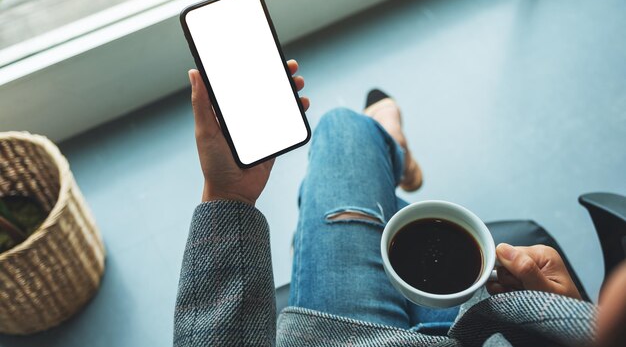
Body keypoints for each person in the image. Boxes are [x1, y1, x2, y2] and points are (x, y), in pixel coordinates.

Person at [174, 60, 620, 346]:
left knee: (341, 131)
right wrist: (561, 320)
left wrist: (226, 194)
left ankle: (389, 142)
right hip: (478, 327)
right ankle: (392, 146)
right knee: (351, 156)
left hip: (345, 336)